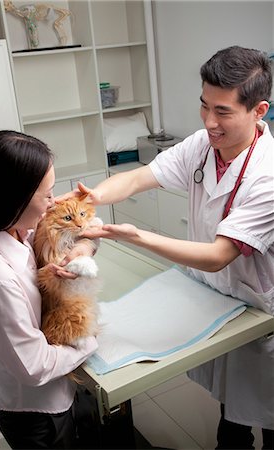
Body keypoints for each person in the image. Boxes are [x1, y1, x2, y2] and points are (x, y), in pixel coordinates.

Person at [77, 46, 274, 449]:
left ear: (259, 111)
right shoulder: (202, 145)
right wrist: (89, 198)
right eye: (204, 107)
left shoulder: (268, 175)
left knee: (269, 413)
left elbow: (220, 256)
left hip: (259, 310)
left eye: (222, 112)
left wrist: (133, 236)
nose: (208, 122)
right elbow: (138, 177)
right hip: (218, 300)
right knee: (230, 417)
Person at [0, 130, 98, 449]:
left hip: (55, 392)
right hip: (34, 411)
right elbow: (34, 365)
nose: (53, 202)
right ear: (15, 197)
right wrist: (90, 343)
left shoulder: (16, 231)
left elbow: (71, 238)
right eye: (47, 194)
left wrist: (81, 247)